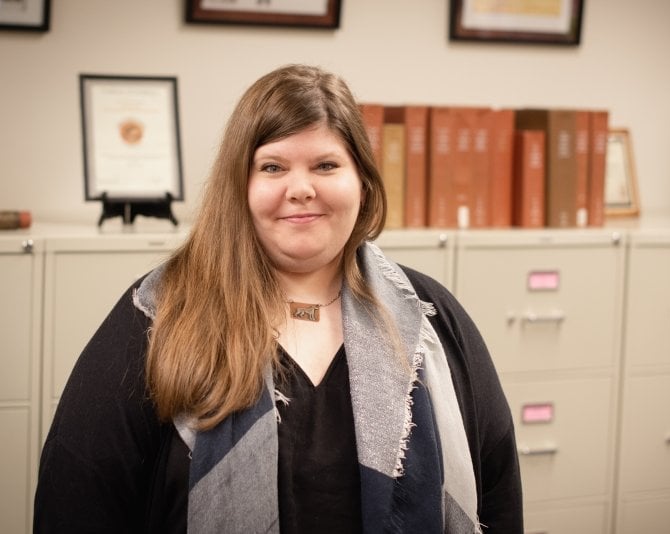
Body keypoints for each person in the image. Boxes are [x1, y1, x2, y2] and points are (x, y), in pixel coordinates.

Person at [34, 64, 523, 533]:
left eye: (326, 165)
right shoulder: (157, 317)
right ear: (239, 186)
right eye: (273, 167)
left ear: (363, 182)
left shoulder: (429, 317)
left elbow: (498, 490)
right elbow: (77, 497)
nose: (301, 189)